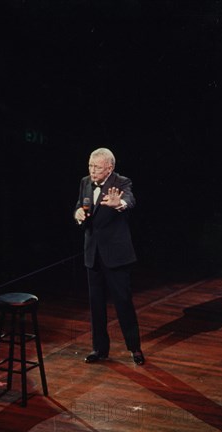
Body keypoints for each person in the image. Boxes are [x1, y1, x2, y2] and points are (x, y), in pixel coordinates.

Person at [74, 147, 145, 365]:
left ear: (109, 168)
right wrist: (76, 212)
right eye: (90, 166)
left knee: (123, 303)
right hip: (92, 254)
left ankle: (135, 348)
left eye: (97, 167)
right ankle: (99, 349)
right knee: (96, 304)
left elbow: (130, 200)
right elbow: (80, 204)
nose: (92, 170)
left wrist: (119, 204)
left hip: (116, 255)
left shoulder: (122, 182)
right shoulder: (85, 182)